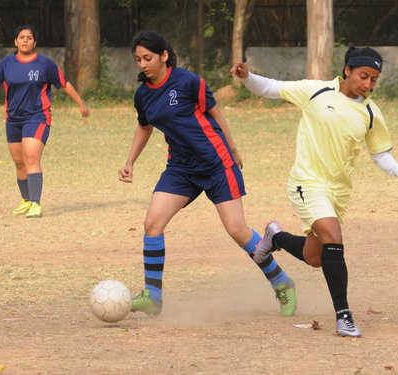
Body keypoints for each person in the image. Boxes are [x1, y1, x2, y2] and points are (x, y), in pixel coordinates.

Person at [231, 46, 398, 337]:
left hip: (337, 191)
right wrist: (248, 77)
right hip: (306, 182)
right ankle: (344, 316)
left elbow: (380, 154)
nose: (368, 84)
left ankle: (275, 236)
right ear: (347, 70)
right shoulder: (316, 91)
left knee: (316, 257)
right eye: (363, 76)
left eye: (374, 79)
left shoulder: (371, 112)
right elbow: (272, 88)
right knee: (334, 237)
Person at [119, 31, 296, 317]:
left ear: (164, 56)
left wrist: (234, 150)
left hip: (216, 164)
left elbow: (215, 114)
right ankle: (153, 295)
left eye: (148, 58)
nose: (142, 64)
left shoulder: (188, 82)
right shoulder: (143, 95)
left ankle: (282, 283)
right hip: (181, 168)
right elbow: (144, 127)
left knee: (238, 230)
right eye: (138, 59)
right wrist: (130, 162)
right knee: (152, 223)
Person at [0, 25, 89, 218]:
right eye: (22, 37)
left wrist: (81, 103)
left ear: (35, 42)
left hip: (38, 117)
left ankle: (36, 203)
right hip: (13, 119)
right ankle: (26, 200)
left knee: (31, 158)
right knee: (19, 162)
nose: (25, 40)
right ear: (16, 42)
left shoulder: (45, 64)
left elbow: (64, 83)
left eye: (29, 38)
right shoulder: (7, 63)